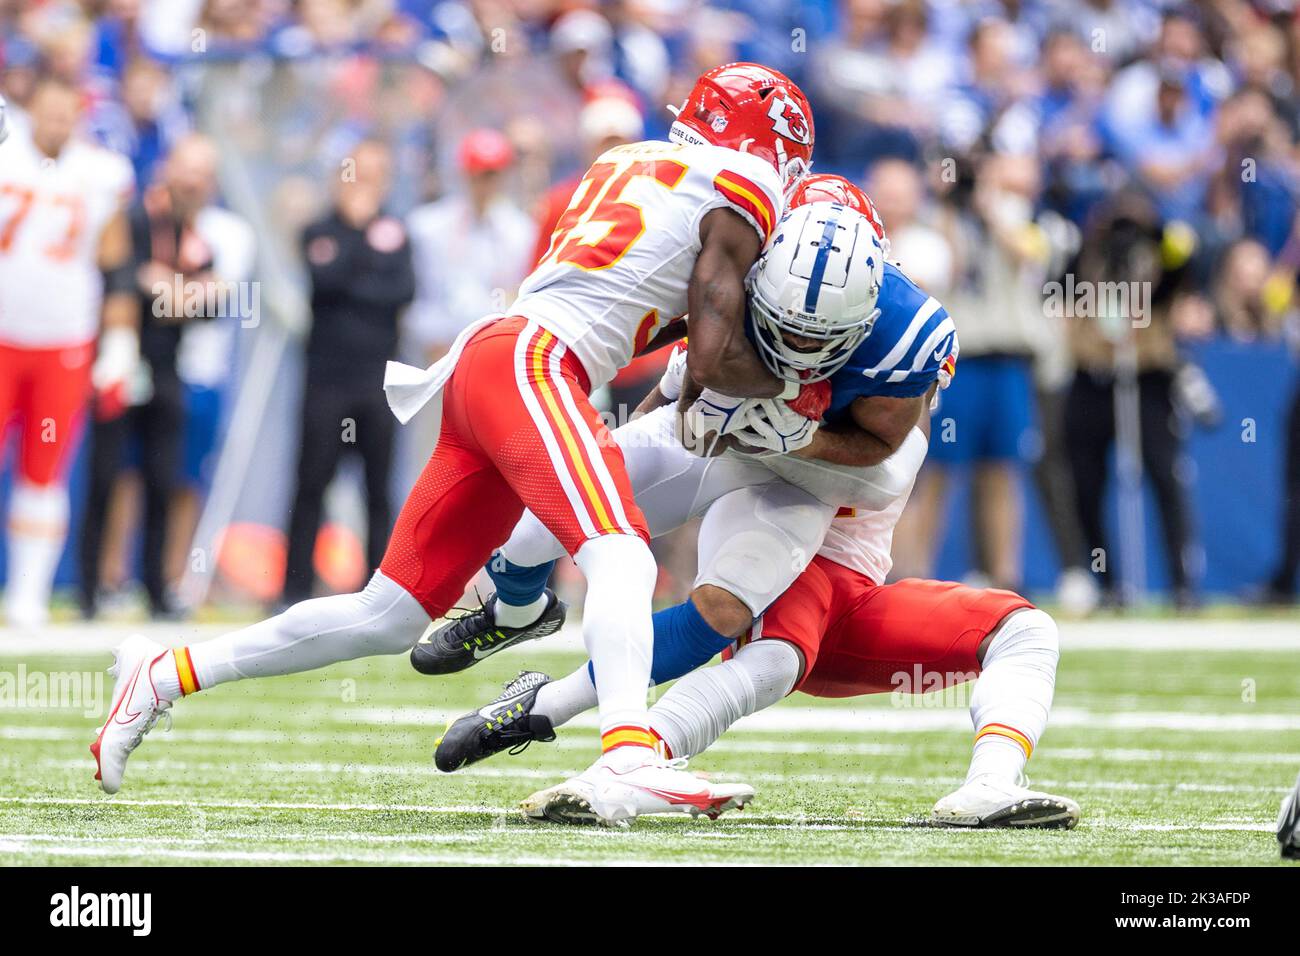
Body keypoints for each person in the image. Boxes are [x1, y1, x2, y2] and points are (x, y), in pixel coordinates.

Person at [91, 63, 819, 827]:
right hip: (536, 364)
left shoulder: (627, 160)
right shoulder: (743, 182)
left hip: (491, 363)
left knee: (388, 614)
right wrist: (801, 382)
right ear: (768, 143)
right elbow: (708, 350)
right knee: (623, 553)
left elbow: (656, 305)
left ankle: (164, 672)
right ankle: (629, 753)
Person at [417, 177, 966, 821]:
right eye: (785, 328)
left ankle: (541, 706)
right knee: (575, 496)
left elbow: (884, 444)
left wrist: (806, 441)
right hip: (717, 435)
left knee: (722, 613)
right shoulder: (733, 255)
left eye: (822, 340)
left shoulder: (908, 334)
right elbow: (684, 368)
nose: (800, 352)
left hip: (803, 479)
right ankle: (513, 607)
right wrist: (653, 423)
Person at [0, 77, 135, 627]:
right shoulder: (7, 155)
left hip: (64, 339)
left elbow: (116, 260)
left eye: (66, 115)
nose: (56, 125)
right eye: (47, 113)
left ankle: (28, 597)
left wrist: (121, 338)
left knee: (44, 469)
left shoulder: (100, 173)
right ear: (29, 109)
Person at [79, 133, 220, 620]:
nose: (194, 182)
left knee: (164, 480)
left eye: (203, 174)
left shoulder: (195, 233)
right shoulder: (135, 218)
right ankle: (90, 590)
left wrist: (168, 289)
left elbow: (212, 303)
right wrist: (174, 292)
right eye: (188, 169)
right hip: (118, 361)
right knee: (106, 478)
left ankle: (155, 589)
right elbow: (124, 280)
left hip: (164, 369)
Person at [280, 140, 414, 608]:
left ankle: (377, 589)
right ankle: (293, 588)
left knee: (378, 488)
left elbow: (399, 292)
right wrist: (361, 244)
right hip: (326, 383)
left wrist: (356, 264)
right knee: (310, 483)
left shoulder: (398, 231)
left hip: (376, 385)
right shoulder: (318, 230)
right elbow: (325, 281)